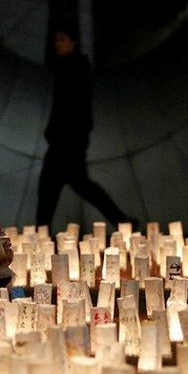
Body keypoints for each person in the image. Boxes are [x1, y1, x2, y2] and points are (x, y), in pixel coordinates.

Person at [36, 26, 132, 233]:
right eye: (57, 40)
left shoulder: (74, 67)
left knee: (53, 187)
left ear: (73, 42)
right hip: (68, 139)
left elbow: (75, 105)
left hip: (67, 140)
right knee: (71, 186)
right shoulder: (70, 66)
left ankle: (41, 234)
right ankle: (123, 222)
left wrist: (66, 134)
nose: (57, 44)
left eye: (62, 39)